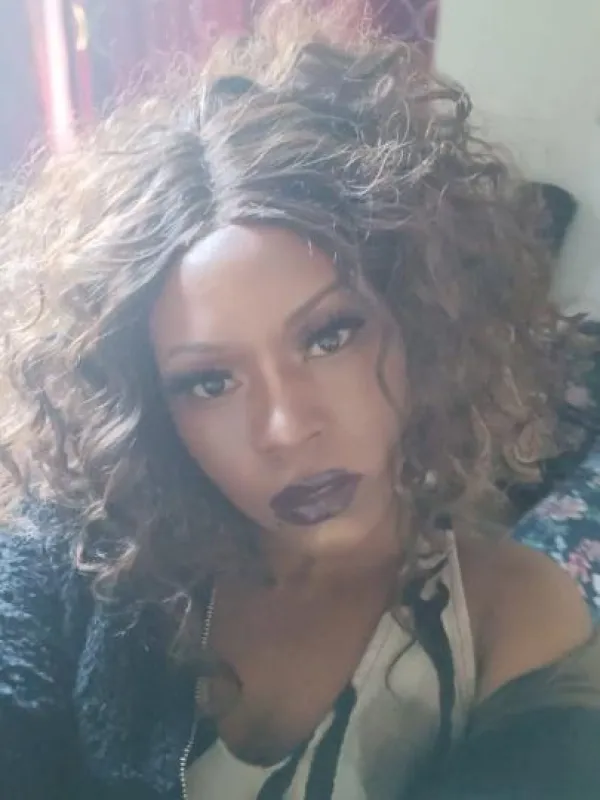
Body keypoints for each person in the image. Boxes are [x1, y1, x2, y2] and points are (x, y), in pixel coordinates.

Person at [1, 3, 599, 799]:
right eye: (210, 382)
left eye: (329, 336)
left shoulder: (510, 621)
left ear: (421, 320)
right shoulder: (88, 554)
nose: (285, 429)